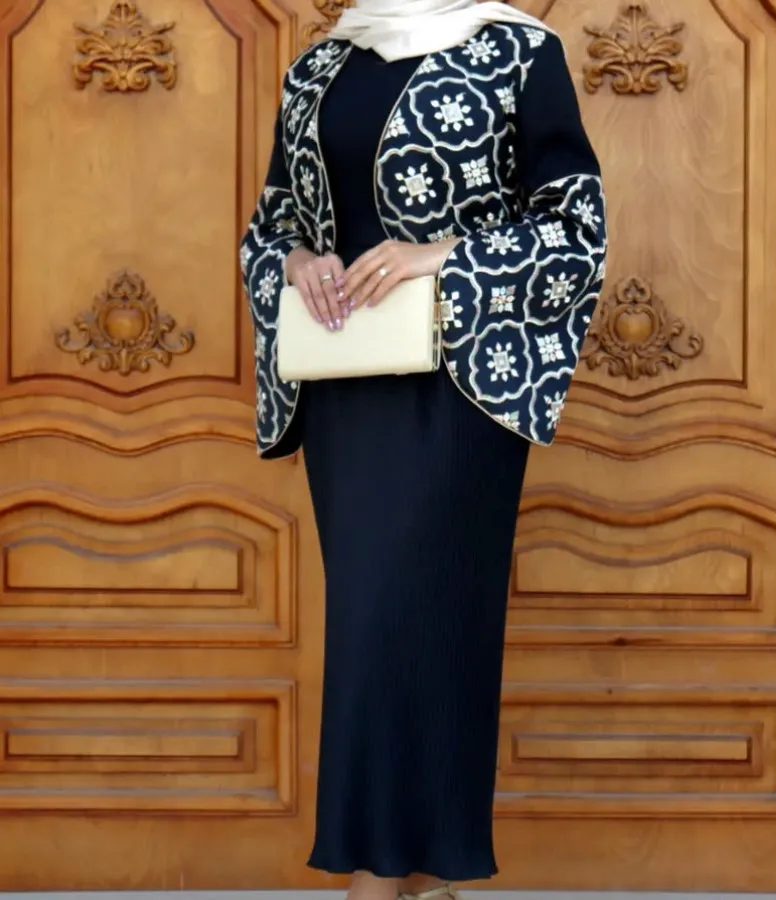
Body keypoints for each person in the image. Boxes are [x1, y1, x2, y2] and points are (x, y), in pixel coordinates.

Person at [240, 1, 607, 898]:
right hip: (347, 387)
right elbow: (273, 223)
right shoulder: (320, 66)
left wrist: (437, 254)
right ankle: (405, 876)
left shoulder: (516, 52)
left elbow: (575, 227)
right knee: (372, 632)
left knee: (437, 628)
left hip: (460, 393)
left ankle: (401, 878)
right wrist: (298, 263)